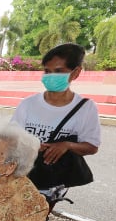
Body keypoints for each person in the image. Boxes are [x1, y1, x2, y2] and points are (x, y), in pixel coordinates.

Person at [10, 43, 101, 205]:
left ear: (76, 73)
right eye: (47, 71)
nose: (51, 76)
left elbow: (92, 146)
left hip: (52, 184)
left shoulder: (85, 108)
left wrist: (67, 145)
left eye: (58, 71)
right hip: (20, 178)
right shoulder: (28, 104)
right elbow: (9, 138)